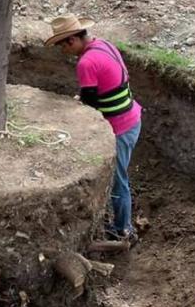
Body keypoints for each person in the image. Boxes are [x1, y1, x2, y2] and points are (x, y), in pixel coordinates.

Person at [45, 14, 143, 243]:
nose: (63, 51)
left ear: (72, 41)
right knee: (119, 178)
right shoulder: (104, 44)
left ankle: (123, 230)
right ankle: (121, 221)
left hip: (121, 127)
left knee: (118, 182)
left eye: (62, 46)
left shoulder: (86, 63)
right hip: (132, 117)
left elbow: (90, 103)